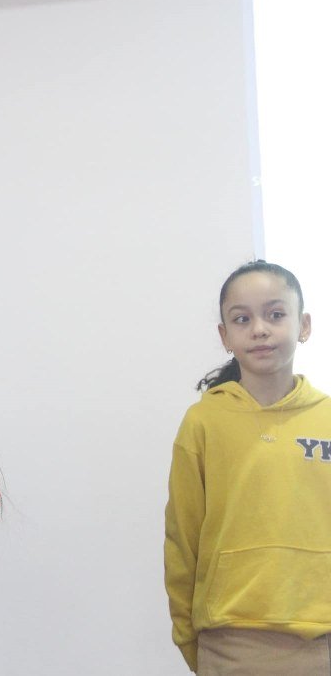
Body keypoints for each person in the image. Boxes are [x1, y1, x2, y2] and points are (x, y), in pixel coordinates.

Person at [164, 260, 331, 674]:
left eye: (275, 314)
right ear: (225, 335)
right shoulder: (203, 422)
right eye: (242, 319)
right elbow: (183, 537)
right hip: (232, 640)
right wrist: (188, 634)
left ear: (304, 325)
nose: (259, 329)